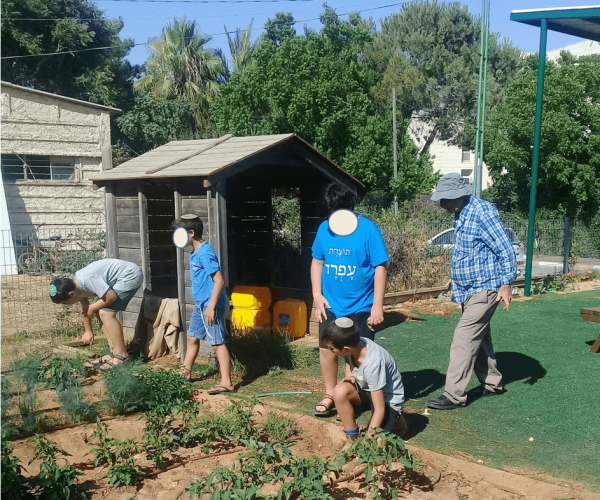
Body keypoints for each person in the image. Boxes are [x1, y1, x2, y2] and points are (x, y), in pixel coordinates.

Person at [426, 173, 516, 410]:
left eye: (445, 199)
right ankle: (493, 382)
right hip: (468, 287)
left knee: (463, 339)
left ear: (459, 195)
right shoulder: (461, 213)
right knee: (480, 337)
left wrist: (506, 283)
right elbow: (471, 251)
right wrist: (453, 277)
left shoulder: (483, 212)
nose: (441, 204)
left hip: (486, 287)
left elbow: (505, 249)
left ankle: (454, 395)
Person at [311, 182, 389, 417]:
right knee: (327, 349)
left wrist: (377, 305)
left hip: (362, 305)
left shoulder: (368, 230)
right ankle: (329, 393)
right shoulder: (324, 229)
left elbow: (380, 267)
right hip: (331, 304)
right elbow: (317, 261)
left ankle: (350, 393)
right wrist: (316, 295)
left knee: (356, 352)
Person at [172, 214, 234, 394]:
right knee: (192, 338)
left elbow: (219, 281)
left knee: (217, 343)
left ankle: (226, 382)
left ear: (191, 233)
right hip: (201, 305)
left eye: (180, 232)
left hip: (209, 306)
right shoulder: (195, 253)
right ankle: (185, 373)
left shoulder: (205, 253)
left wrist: (211, 307)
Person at [49, 258, 143, 368]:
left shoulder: (86, 280)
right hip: (120, 278)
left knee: (106, 313)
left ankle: (121, 356)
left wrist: (92, 308)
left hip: (130, 275)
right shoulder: (77, 287)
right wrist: (88, 331)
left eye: (66, 302)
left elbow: (110, 297)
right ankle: (113, 351)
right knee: (99, 311)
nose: (68, 305)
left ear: (71, 294)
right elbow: (86, 310)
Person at [322, 317, 407, 438]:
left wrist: (368, 439)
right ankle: (352, 437)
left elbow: (379, 409)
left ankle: (398, 421)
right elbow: (348, 358)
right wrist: (351, 375)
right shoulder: (356, 344)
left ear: (346, 349)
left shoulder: (373, 363)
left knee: (377, 444)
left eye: (332, 349)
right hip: (368, 390)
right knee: (339, 391)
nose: (330, 351)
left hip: (387, 401)